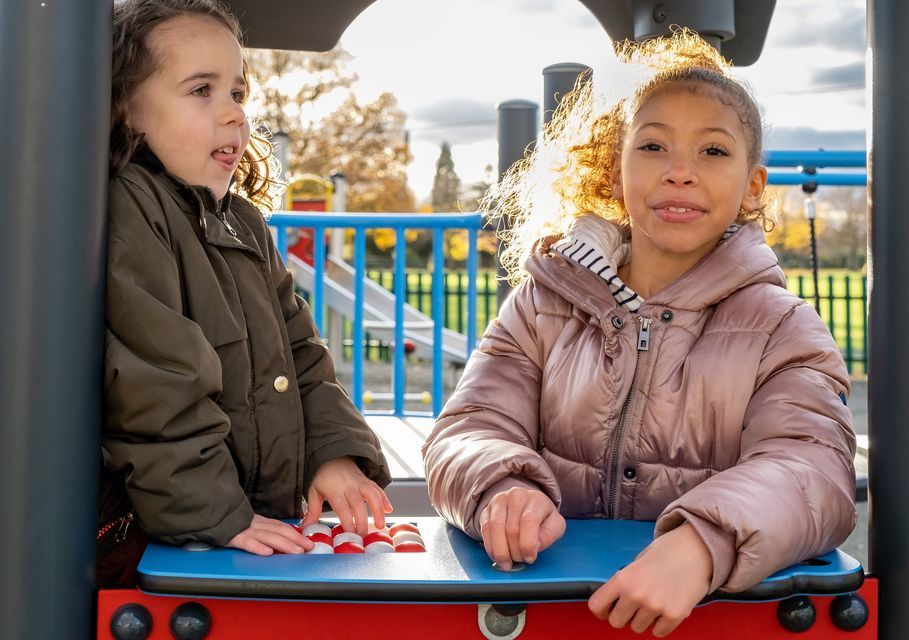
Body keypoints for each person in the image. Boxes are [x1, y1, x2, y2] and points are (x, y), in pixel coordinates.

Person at [423, 30, 856, 637]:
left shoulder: (780, 327)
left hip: (708, 616)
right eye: (653, 146)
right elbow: (470, 427)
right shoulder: (544, 305)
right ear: (615, 171)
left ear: (753, 185)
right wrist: (501, 484)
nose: (679, 173)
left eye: (712, 152)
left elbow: (811, 468)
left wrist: (704, 542)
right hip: (547, 611)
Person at [98, 0, 392, 585]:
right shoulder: (131, 207)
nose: (234, 114)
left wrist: (330, 453)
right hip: (161, 534)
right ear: (127, 108)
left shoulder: (244, 224)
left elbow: (303, 355)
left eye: (238, 91)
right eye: (201, 90)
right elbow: (156, 385)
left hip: (249, 514)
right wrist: (217, 516)